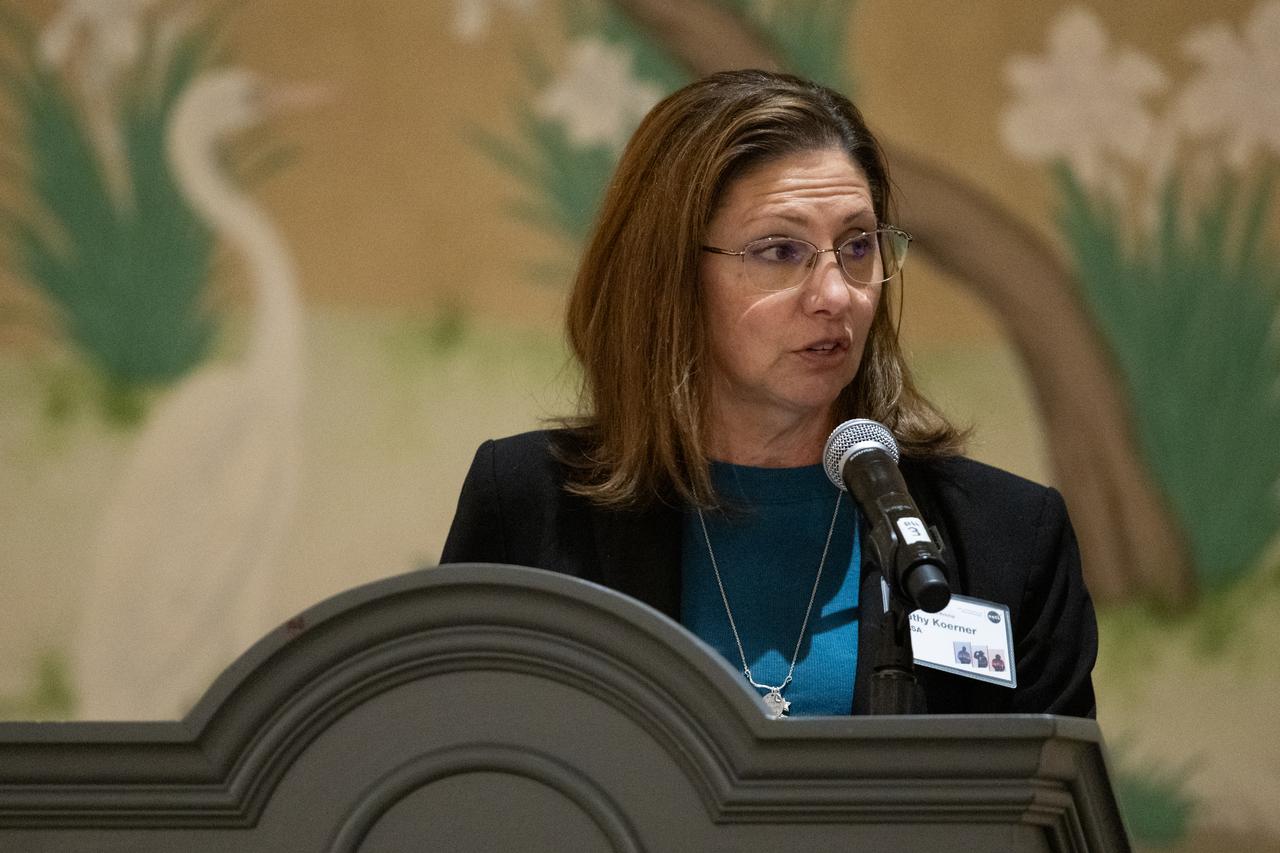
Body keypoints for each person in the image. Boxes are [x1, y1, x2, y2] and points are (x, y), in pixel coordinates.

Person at [440, 69, 1096, 718]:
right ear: (672, 277)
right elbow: (454, 790)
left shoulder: (1008, 536)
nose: (836, 295)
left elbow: (1052, 818)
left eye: (858, 245)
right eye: (781, 251)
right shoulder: (529, 507)